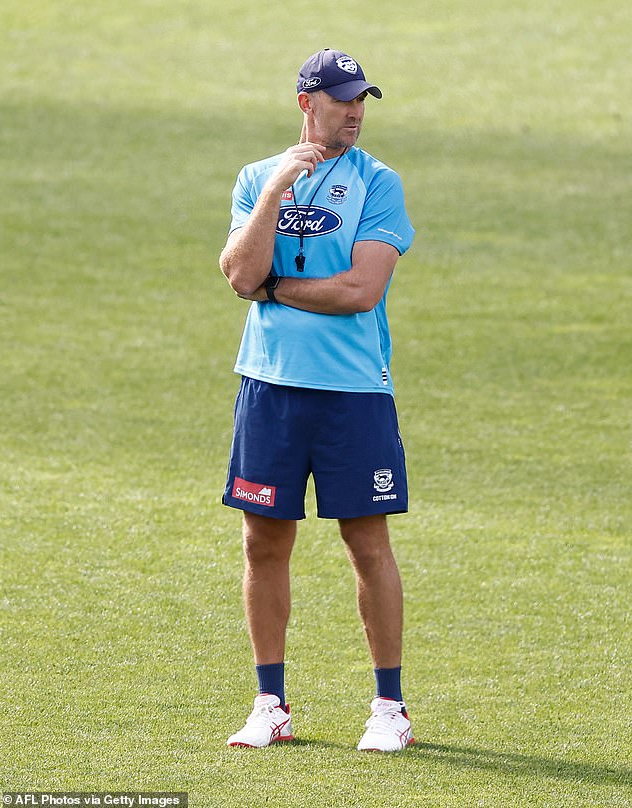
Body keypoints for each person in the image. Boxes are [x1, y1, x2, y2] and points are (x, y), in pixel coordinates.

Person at [219, 48, 416, 752]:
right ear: (308, 102)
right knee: (262, 542)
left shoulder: (378, 184)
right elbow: (241, 273)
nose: (356, 110)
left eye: (362, 98)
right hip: (269, 388)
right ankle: (270, 702)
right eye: (342, 98)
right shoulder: (255, 179)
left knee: (367, 543)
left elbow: (360, 291)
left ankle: (388, 708)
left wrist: (276, 290)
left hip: (353, 393)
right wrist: (275, 192)